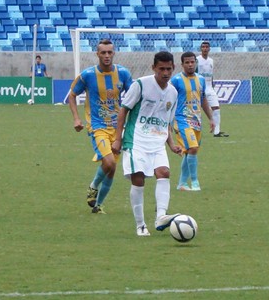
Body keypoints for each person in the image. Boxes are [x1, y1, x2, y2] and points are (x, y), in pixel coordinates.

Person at [111, 51, 183, 236]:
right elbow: (123, 111)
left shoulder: (173, 93)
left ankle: (161, 216)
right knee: (138, 178)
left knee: (164, 172)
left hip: (157, 141)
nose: (165, 73)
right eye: (161, 69)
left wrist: (172, 144)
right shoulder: (141, 85)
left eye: (169, 69)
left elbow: (166, 121)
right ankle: (141, 225)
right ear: (154, 68)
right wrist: (118, 139)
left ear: (174, 68)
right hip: (136, 140)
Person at [67, 39, 133, 214]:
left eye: (109, 52)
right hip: (98, 126)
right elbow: (72, 96)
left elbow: (134, 97)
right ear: (97, 54)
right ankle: (93, 186)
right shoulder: (88, 75)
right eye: (103, 52)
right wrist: (76, 119)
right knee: (109, 162)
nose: (106, 55)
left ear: (114, 53)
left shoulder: (123, 74)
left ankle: (98, 205)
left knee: (112, 169)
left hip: (118, 127)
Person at [171, 51, 215, 191]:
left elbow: (202, 100)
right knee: (193, 148)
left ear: (195, 63)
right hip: (181, 120)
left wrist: (211, 118)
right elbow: (169, 101)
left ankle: (182, 184)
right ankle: (195, 182)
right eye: (187, 62)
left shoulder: (201, 79)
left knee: (189, 151)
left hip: (196, 120)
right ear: (182, 64)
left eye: (192, 62)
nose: (190, 65)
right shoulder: (176, 80)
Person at [197, 41, 229, 137]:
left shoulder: (211, 60)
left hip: (209, 88)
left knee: (216, 108)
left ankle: (217, 131)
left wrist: (212, 85)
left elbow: (211, 75)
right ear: (201, 49)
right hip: (199, 88)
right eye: (203, 47)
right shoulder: (197, 60)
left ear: (209, 49)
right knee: (195, 110)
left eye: (207, 47)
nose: (205, 48)